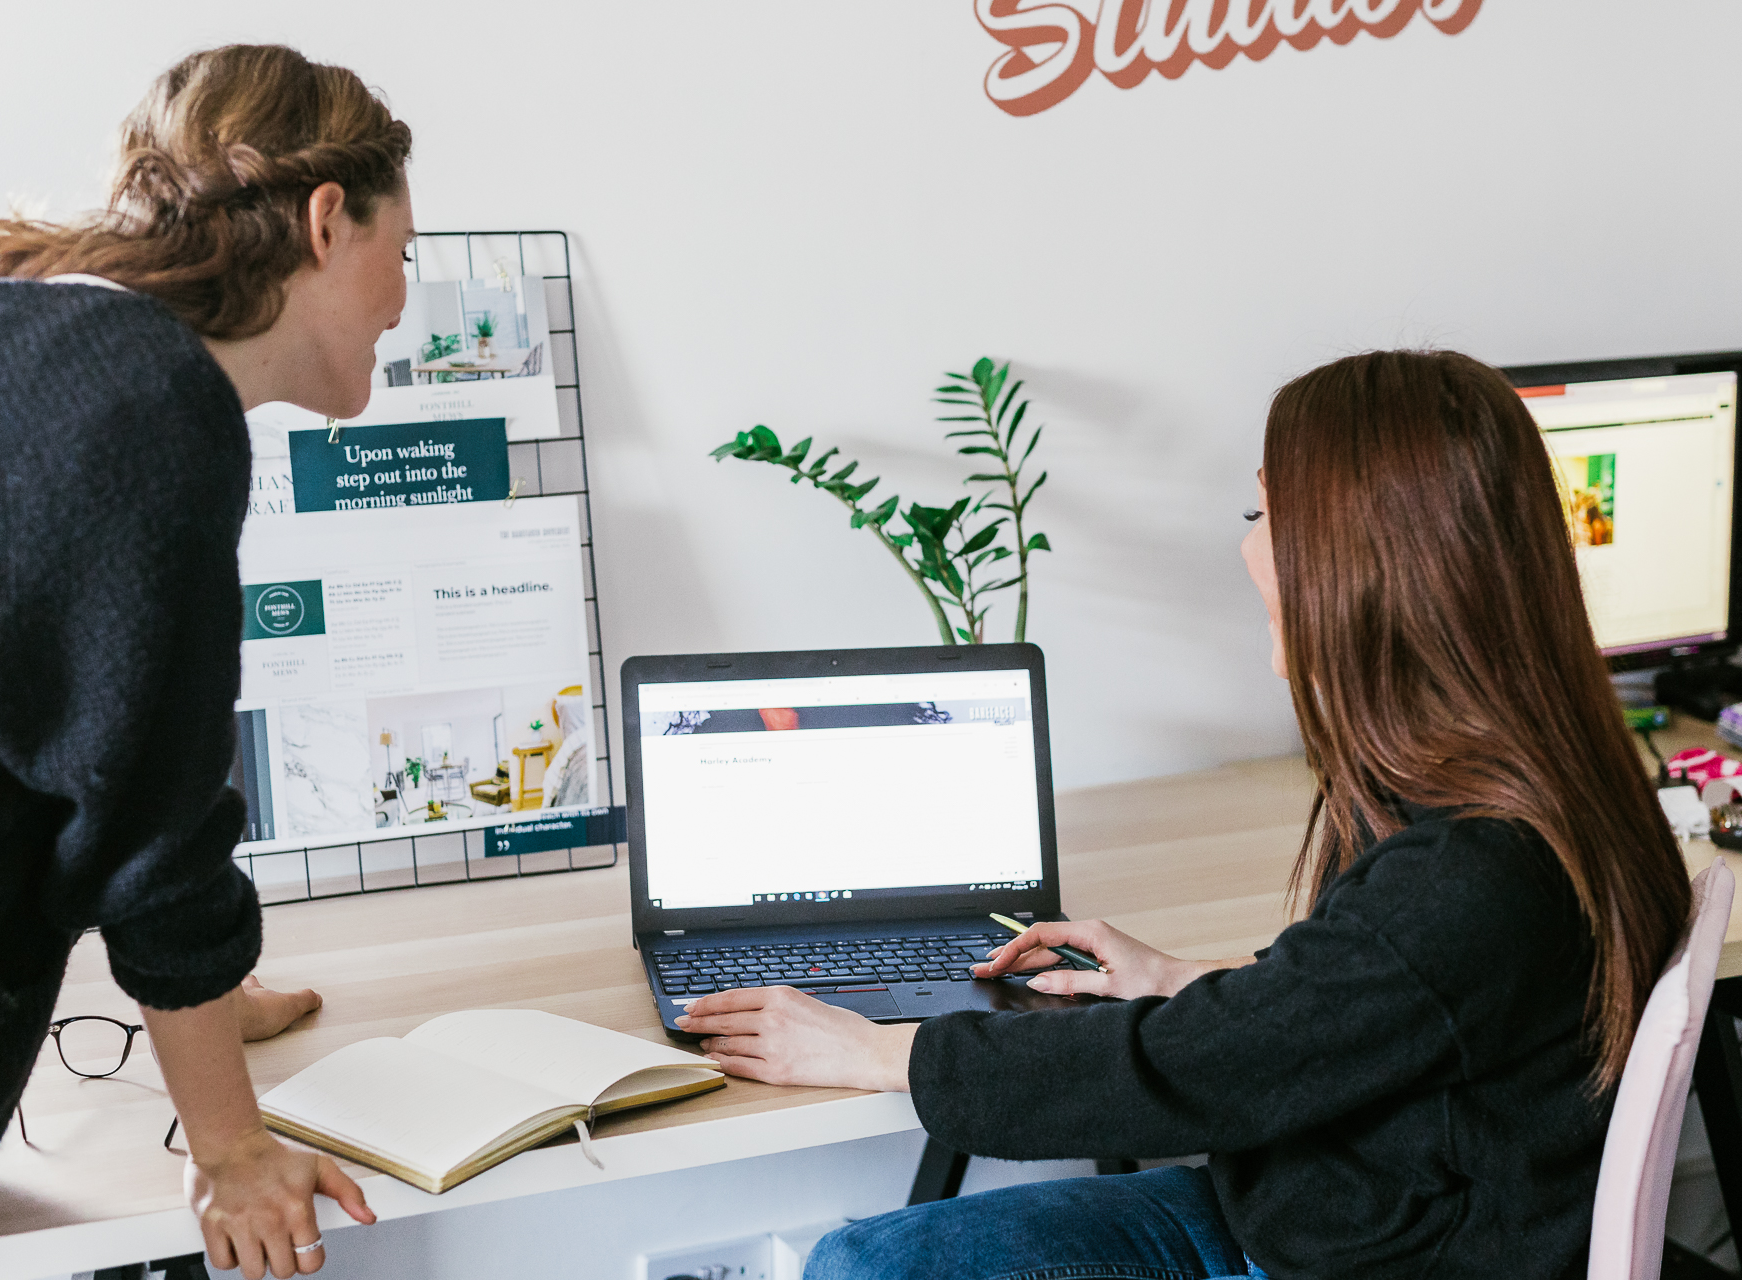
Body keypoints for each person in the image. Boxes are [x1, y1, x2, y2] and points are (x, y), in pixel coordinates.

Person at [675, 350, 1693, 1279]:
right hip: (1356, 1204)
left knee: (866, 1267)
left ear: (1361, 561)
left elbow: (1193, 1073)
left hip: (1353, 1250)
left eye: (1264, 516)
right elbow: (1377, 1010)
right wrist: (1183, 978)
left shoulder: (1468, 872)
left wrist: (876, 1050)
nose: (1249, 550)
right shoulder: (1548, 782)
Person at [0, 45, 416, 1280]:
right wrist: (233, 1149)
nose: (404, 300)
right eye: (399, 253)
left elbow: (91, 750)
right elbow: (156, 828)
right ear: (323, 223)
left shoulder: (52, 359)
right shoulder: (148, 412)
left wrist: (218, 995)